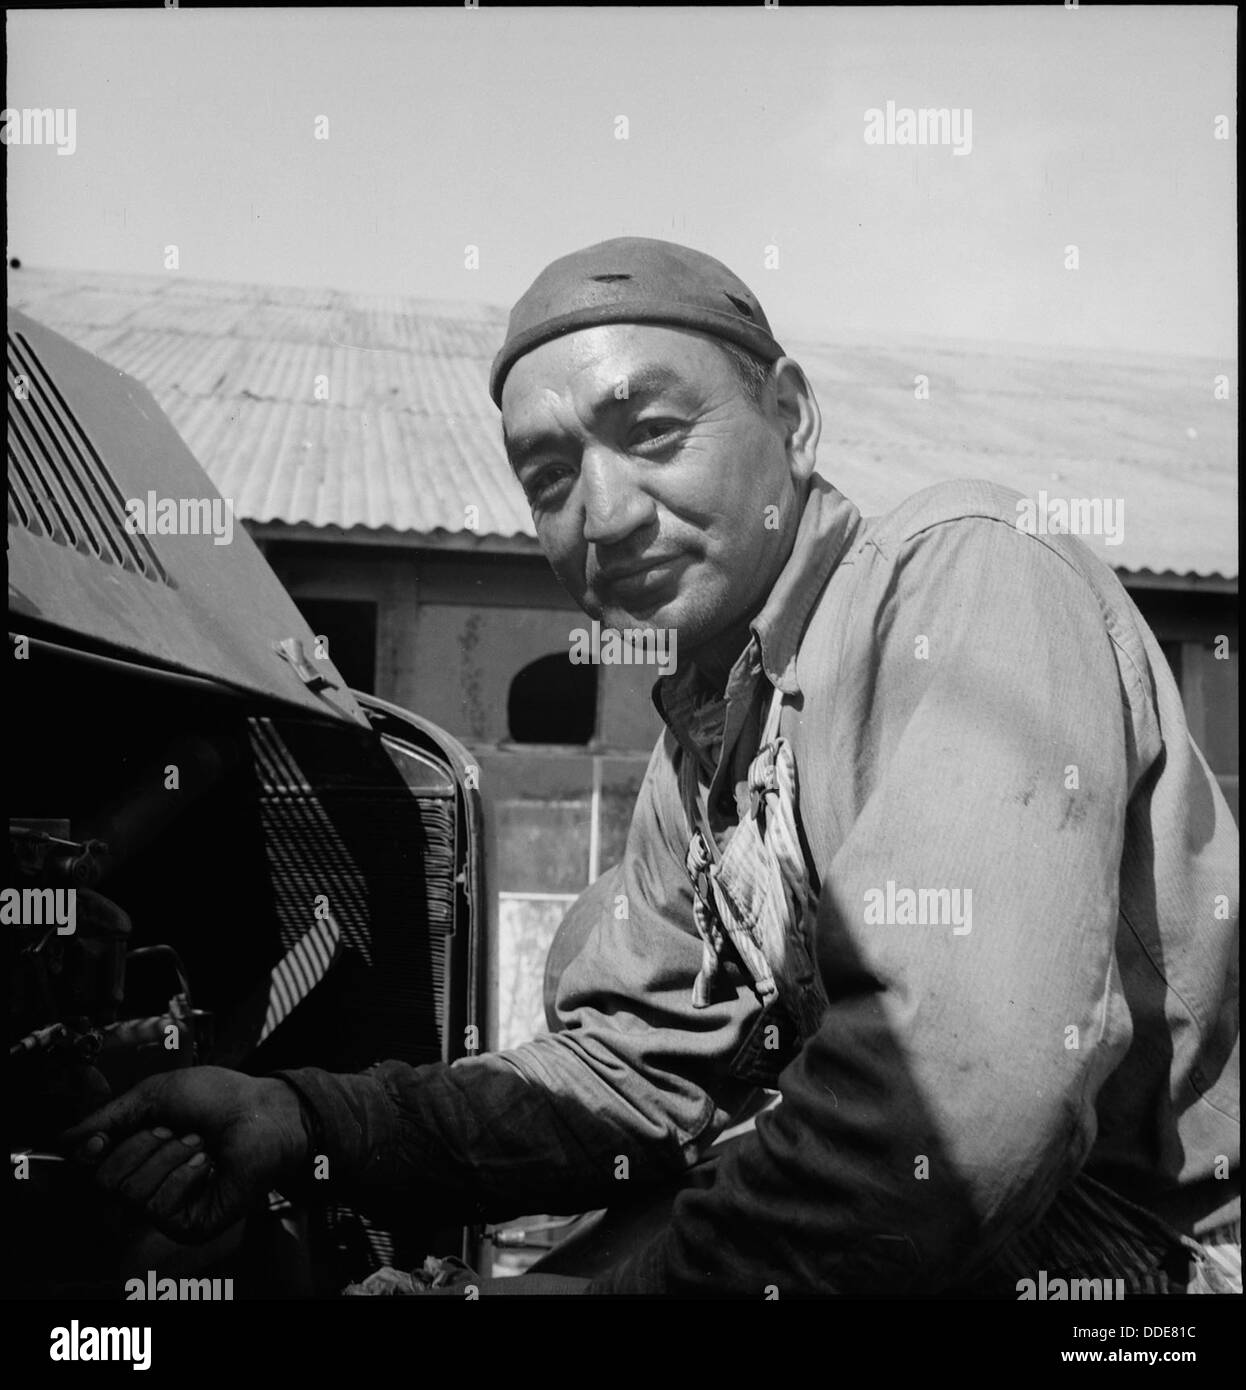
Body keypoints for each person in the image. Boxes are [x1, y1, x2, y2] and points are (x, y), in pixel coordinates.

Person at [65, 238, 1239, 1298]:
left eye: (653, 433)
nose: (604, 512)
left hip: (1148, 1259)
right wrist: (304, 1120)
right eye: (547, 478)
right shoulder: (708, 736)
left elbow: (968, 1102)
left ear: (791, 414)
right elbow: (636, 1064)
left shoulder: (955, 578)